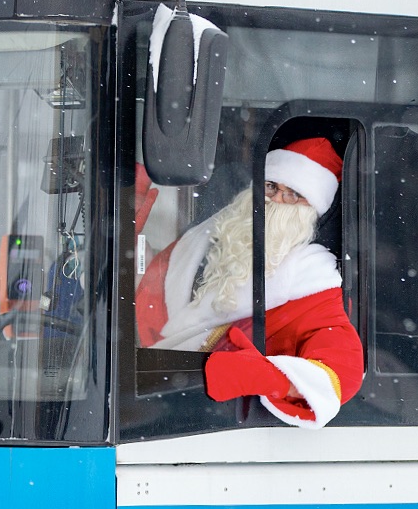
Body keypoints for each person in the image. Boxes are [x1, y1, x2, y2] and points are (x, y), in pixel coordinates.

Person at [135, 137, 363, 428]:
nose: (276, 200)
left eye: (293, 195)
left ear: (312, 211)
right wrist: (125, 231)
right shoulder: (208, 236)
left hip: (207, 417)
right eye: (271, 187)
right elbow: (150, 289)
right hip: (148, 393)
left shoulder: (310, 282)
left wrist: (259, 376)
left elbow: (341, 373)